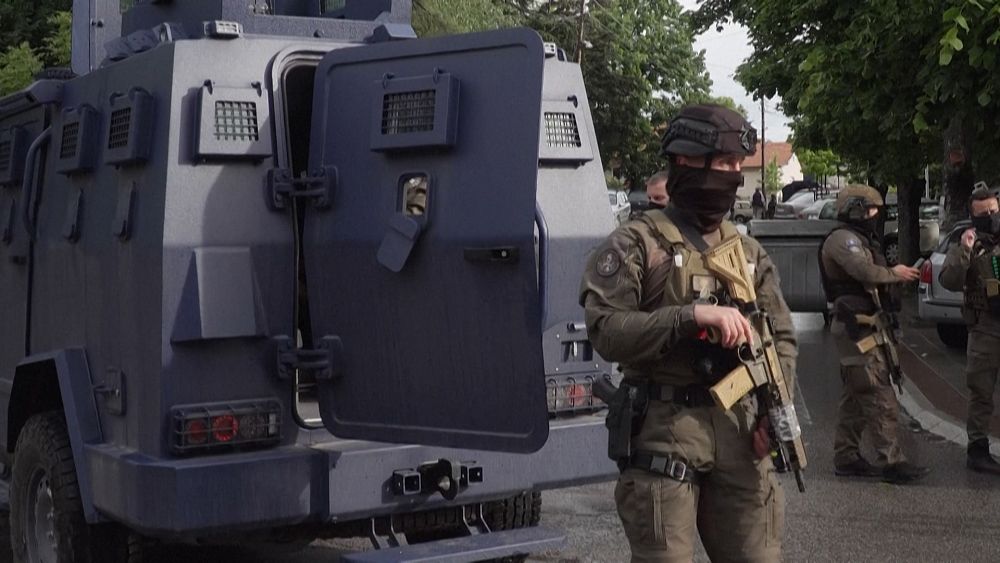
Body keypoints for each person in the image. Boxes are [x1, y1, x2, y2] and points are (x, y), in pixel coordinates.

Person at [580, 104, 797, 562]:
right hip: (664, 430)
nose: (734, 176)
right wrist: (688, 317)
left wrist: (773, 416)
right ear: (685, 161)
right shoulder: (637, 243)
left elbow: (780, 338)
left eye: (738, 166)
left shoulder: (748, 252)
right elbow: (606, 330)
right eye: (724, 164)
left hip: (741, 432)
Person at [818, 184, 929, 484]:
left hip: (867, 325)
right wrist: (895, 273)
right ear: (854, 209)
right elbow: (863, 271)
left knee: (856, 396)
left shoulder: (860, 239)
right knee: (878, 393)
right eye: (870, 210)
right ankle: (891, 462)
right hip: (856, 329)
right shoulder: (843, 240)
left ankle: (846, 457)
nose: (874, 215)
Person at [939, 185, 1000, 475]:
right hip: (985, 328)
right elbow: (949, 280)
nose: (990, 217)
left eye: (994, 211)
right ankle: (978, 451)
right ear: (973, 217)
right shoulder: (968, 244)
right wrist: (964, 249)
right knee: (981, 392)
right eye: (983, 213)